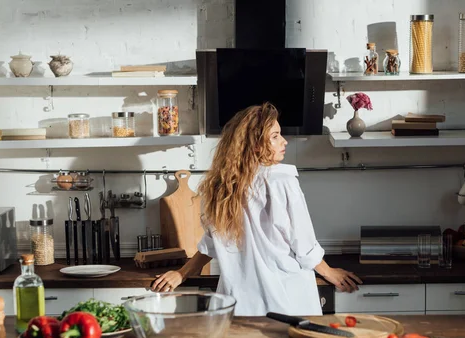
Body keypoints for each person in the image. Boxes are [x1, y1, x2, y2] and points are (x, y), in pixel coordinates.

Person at [151, 102, 362, 316]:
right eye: (275, 136)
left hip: (239, 305)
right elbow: (303, 244)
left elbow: (212, 242)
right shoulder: (282, 180)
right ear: (255, 145)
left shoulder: (224, 186)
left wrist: (181, 273)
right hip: (287, 301)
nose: (284, 141)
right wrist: (330, 273)